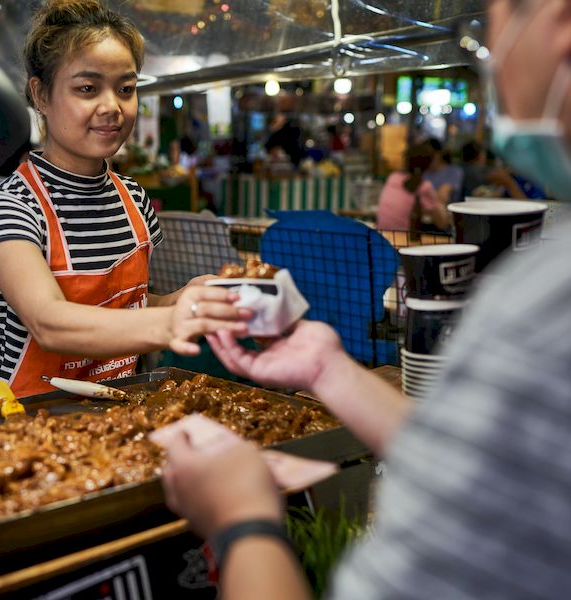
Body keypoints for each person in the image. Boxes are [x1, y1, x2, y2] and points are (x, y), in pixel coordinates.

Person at [161, 1, 571, 598]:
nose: (487, 52)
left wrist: (241, 520)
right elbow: (486, 472)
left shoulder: (540, 307)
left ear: (557, 24)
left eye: (491, 25)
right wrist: (331, 368)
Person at [0, 0, 249, 402]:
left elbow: (127, 308)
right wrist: (175, 319)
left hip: (115, 412)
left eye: (126, 89)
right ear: (40, 95)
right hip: (26, 423)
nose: (112, 107)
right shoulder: (9, 207)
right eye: (87, 88)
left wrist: (180, 299)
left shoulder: (133, 198)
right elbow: (50, 324)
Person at [376, 141, 451, 233]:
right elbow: (442, 223)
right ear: (429, 164)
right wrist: (439, 202)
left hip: (381, 240)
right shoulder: (424, 187)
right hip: (405, 242)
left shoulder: (393, 178)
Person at [424, 137, 464, 204]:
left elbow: (442, 197)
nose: (427, 159)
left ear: (439, 154)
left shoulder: (454, 171)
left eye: (431, 155)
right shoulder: (423, 172)